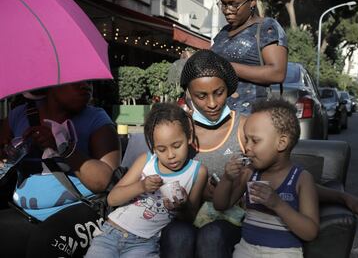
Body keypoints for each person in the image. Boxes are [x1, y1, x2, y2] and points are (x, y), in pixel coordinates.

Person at [158, 49, 358, 258]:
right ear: (189, 94)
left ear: (228, 88)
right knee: (176, 235)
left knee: (212, 236)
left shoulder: (249, 128)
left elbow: (285, 178)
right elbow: (155, 169)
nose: (212, 103)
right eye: (201, 96)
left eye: (218, 92)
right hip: (187, 214)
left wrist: (345, 198)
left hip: (229, 225)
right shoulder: (177, 132)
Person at [0, 81, 120, 257]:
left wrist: (63, 148)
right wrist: (11, 151)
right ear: (51, 82)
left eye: (90, 80)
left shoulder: (97, 119)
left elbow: (106, 182)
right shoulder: (19, 115)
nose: (86, 85)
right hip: (24, 212)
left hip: (85, 209)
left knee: (46, 243)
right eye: (78, 79)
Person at [85, 102, 207, 258]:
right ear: (152, 146)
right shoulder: (146, 161)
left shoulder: (198, 171)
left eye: (177, 145)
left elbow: (190, 217)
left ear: (189, 136)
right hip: (111, 233)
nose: (170, 155)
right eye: (161, 149)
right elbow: (112, 199)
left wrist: (181, 207)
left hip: (145, 243)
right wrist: (141, 186)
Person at [214, 98, 319, 257]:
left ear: (281, 143)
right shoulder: (250, 173)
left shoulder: (301, 179)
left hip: (284, 252)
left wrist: (277, 204)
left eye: (255, 140)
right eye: (246, 139)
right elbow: (221, 205)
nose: (247, 147)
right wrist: (227, 179)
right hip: (246, 249)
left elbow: (310, 232)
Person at [211, 0, 288, 114]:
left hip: (252, 118)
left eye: (234, 4)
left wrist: (226, 66)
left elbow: (277, 73)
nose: (227, 10)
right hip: (219, 117)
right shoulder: (223, 33)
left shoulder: (266, 27)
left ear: (252, 1)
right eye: (223, 4)